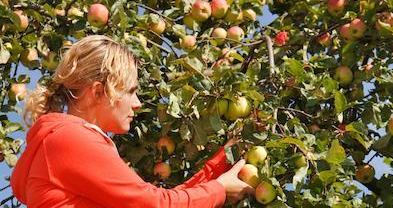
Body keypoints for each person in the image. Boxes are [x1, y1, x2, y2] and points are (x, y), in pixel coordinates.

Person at [11, 35, 254, 207]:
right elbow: (154, 204)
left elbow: (157, 200)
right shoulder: (69, 139)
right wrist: (219, 189)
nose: (137, 103)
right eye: (130, 91)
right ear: (98, 92)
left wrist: (223, 161)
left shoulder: (63, 142)